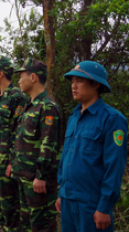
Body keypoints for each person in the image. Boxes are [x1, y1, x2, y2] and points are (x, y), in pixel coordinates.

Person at [56, 61, 128, 232]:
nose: (73, 86)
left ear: (95, 84)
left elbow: (115, 166)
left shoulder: (112, 119)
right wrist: (62, 192)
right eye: (72, 81)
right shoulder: (74, 117)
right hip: (68, 200)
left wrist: (104, 206)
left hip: (91, 204)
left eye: (79, 81)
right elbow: (66, 157)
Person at [11, 58, 61, 232]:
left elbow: (49, 145)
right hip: (24, 178)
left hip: (37, 181)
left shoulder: (48, 106)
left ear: (33, 77)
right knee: (26, 224)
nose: (18, 81)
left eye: (21, 76)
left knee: (42, 226)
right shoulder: (29, 106)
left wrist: (41, 175)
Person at [0, 55, 26, 231]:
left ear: (1, 74)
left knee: (9, 204)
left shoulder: (16, 96)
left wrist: (12, 161)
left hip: (6, 161)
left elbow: (18, 132)